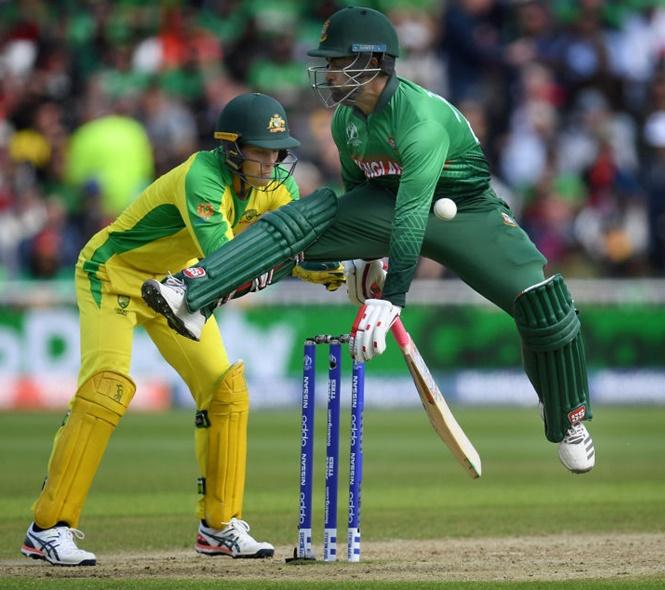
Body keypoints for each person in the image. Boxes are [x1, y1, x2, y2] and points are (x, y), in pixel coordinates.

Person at [142, 7, 595, 476]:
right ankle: (194, 290)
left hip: (466, 212)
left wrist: (392, 299)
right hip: (386, 204)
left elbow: (413, 213)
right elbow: (360, 197)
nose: (329, 72)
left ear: (373, 63)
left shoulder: (419, 120)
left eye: (337, 61)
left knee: (545, 303)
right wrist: (364, 259)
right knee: (313, 215)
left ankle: (568, 418)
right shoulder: (347, 123)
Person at [20, 92, 345, 567]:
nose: (273, 162)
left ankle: (219, 526)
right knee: (107, 388)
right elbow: (230, 267)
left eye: (278, 150)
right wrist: (307, 263)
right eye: (262, 150)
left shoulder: (278, 186)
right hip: (113, 275)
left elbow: (298, 248)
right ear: (233, 148)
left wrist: (344, 269)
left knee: (226, 389)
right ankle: (47, 529)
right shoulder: (202, 178)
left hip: (177, 284)